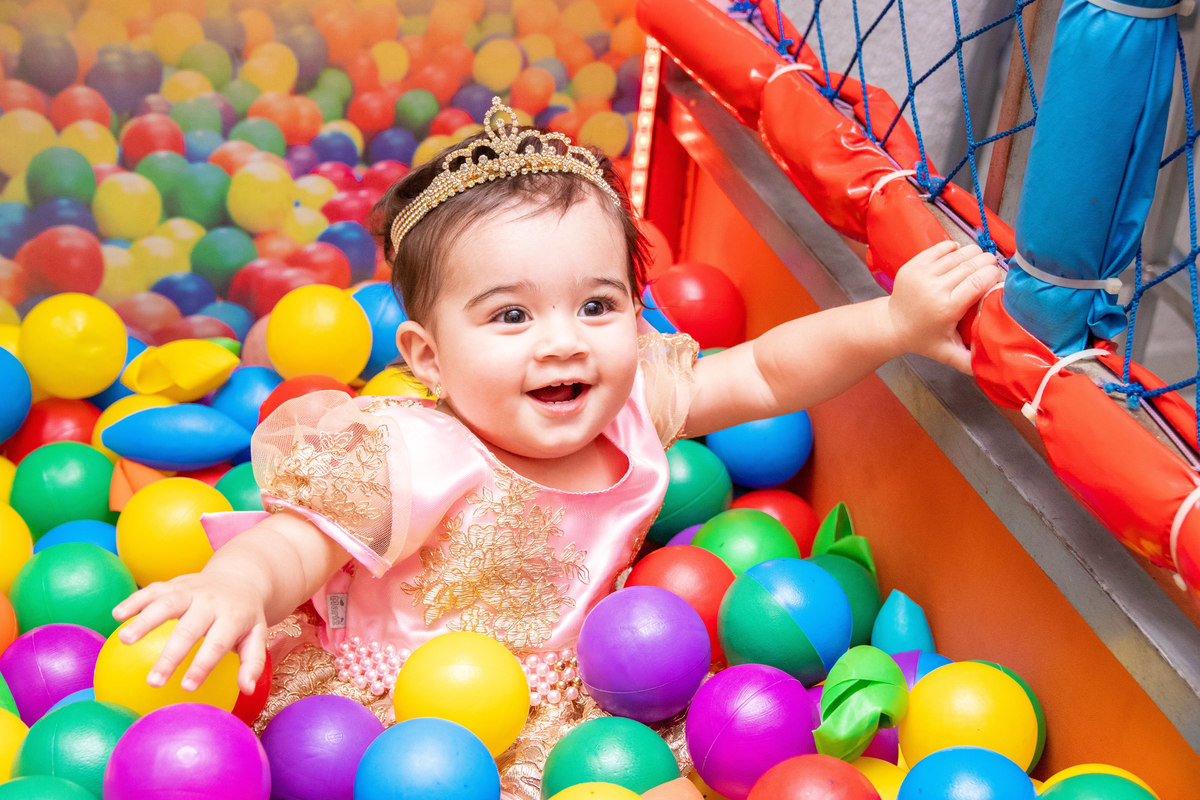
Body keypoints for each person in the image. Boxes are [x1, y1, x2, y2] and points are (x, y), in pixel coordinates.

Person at [112, 98, 1000, 793]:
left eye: (598, 304)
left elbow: (766, 372)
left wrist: (892, 321)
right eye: (510, 315)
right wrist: (235, 585)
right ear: (428, 358)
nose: (564, 341)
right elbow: (297, 544)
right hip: (392, 719)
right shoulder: (412, 448)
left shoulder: (632, 403)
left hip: (579, 706)